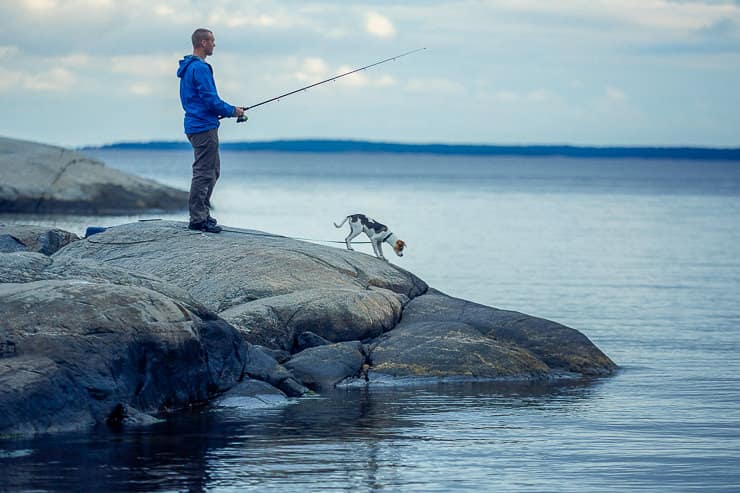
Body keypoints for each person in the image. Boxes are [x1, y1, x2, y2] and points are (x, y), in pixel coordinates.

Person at [177, 28, 245, 233]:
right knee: (204, 173)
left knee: (212, 171)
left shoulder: (190, 68)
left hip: (200, 124)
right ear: (203, 43)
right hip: (203, 128)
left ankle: (203, 214)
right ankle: (197, 219)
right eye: (212, 41)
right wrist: (233, 111)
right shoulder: (199, 68)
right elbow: (210, 100)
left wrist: (227, 111)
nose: (214, 44)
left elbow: (202, 101)